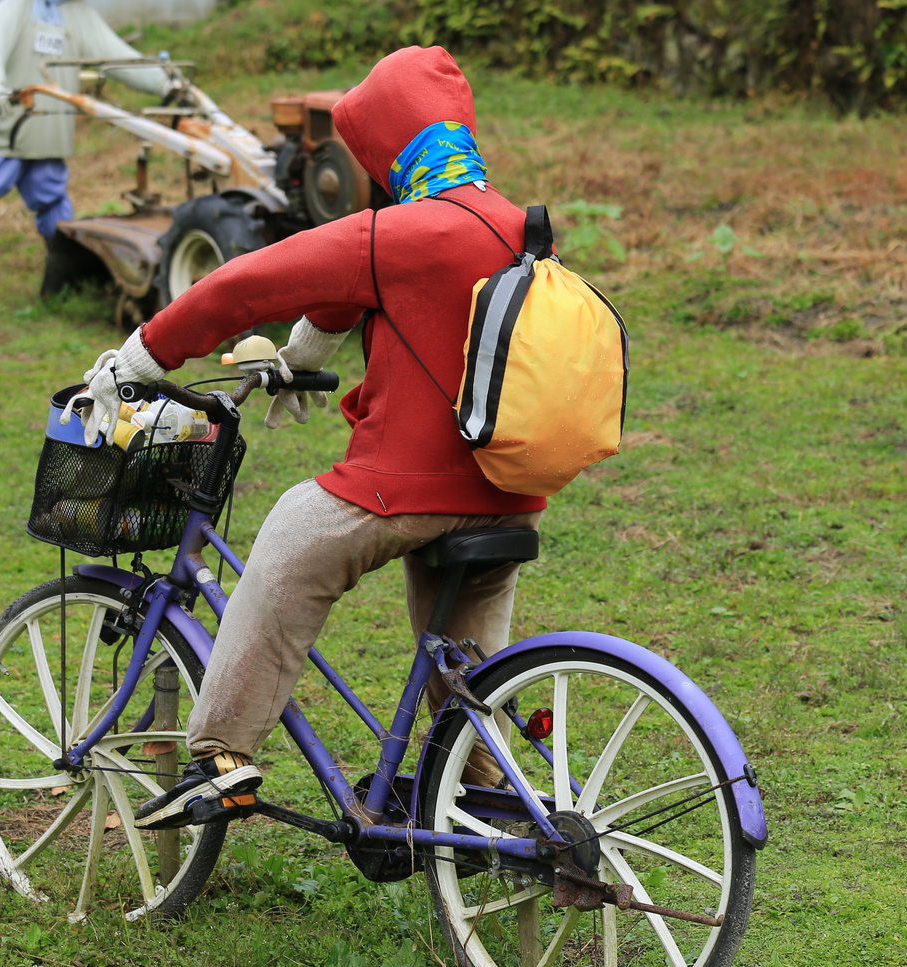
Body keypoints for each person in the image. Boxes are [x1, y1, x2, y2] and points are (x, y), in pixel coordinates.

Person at [61, 45, 545, 829]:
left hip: (407, 487)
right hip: (511, 493)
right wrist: (297, 361)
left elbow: (249, 281)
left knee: (287, 539)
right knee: (467, 674)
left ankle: (220, 752)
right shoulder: (518, 227)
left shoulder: (398, 231)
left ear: (386, 148)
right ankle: (483, 800)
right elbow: (360, 296)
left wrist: (140, 356)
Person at [0, 0, 170, 293]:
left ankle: (64, 282)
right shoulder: (14, 9)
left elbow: (116, 55)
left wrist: (163, 81)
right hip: (7, 125)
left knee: (52, 199)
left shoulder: (78, 15)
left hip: (50, 129)